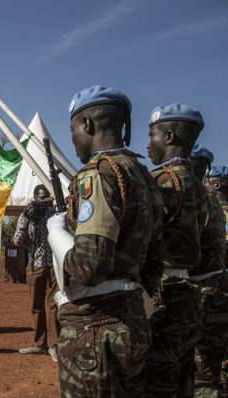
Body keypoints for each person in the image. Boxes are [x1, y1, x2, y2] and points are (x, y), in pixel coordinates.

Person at [46, 86, 164, 397]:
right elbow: (155, 260)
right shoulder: (144, 176)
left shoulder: (97, 175)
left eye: (72, 131)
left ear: (87, 124)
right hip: (133, 320)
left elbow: (89, 267)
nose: (72, 141)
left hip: (95, 330)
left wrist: (56, 234)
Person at [146, 103, 208, 397]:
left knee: (157, 379)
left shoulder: (162, 181)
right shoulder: (197, 184)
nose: (148, 145)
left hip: (162, 293)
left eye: (152, 135)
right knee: (184, 378)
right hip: (188, 290)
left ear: (169, 136)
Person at [189, 146, 228, 397]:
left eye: (210, 181)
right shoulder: (211, 207)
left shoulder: (195, 205)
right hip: (218, 284)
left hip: (203, 289)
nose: (207, 183)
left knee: (202, 367)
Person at [13, 184, 59, 361]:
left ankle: (55, 345)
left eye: (44, 199)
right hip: (35, 266)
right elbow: (17, 241)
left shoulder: (55, 215)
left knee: (54, 306)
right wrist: (26, 218)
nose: (42, 203)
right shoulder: (28, 215)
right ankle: (40, 344)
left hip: (54, 266)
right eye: (39, 199)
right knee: (37, 307)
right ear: (34, 199)